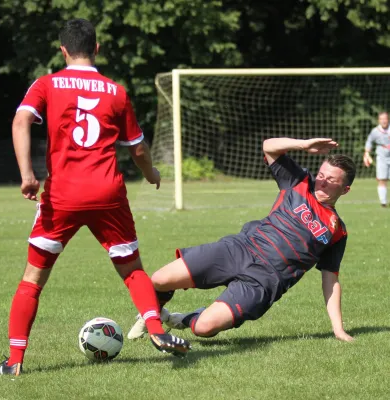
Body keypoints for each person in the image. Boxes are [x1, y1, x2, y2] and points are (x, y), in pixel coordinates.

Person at [0, 19, 190, 376]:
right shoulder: (116, 91)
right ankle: (157, 330)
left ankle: (15, 362)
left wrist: (27, 176)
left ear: (63, 50)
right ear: (96, 48)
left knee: (32, 279)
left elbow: (20, 122)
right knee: (131, 270)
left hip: (62, 195)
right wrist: (152, 175)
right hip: (108, 193)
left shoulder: (48, 84)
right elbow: (139, 150)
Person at [128, 137, 356, 343]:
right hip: (241, 248)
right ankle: (152, 317)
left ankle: (183, 318)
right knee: (159, 279)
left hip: (265, 280)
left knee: (203, 328)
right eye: (321, 175)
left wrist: (338, 330)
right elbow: (268, 146)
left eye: (331, 181)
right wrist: (303, 145)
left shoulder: (337, 231)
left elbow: (330, 280)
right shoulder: (299, 181)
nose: (321, 182)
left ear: (344, 189)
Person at [363, 111, 390, 207]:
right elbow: (369, 141)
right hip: (381, 157)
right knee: (382, 179)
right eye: (382, 119)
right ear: (379, 120)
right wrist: (366, 153)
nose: (384, 121)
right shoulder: (375, 131)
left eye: (385, 119)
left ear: (388, 119)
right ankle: (383, 202)